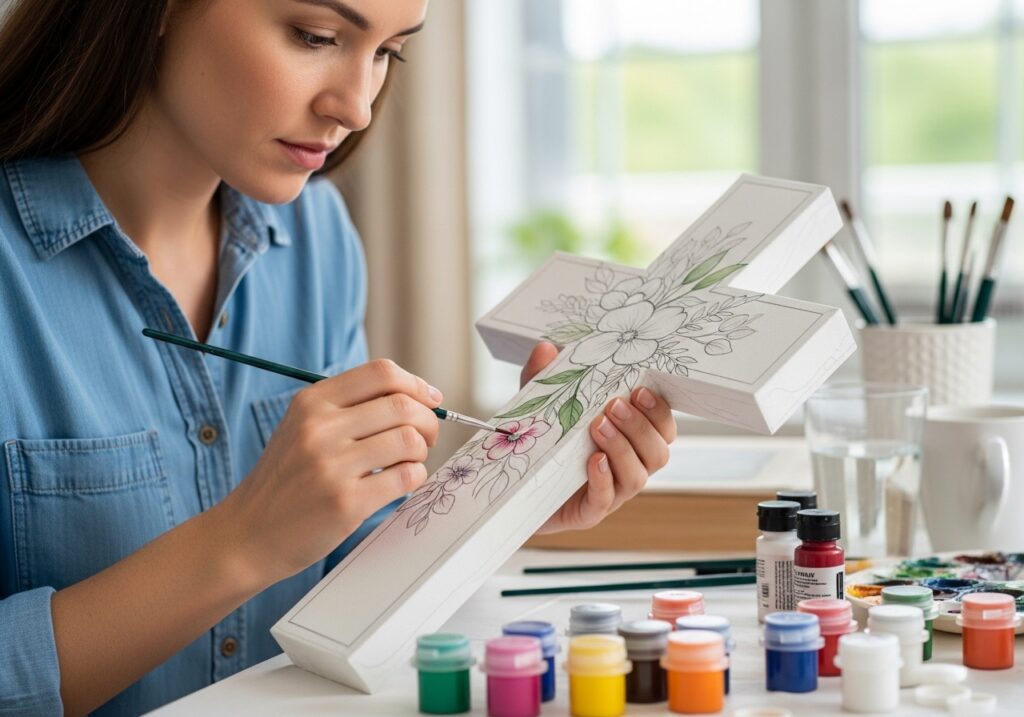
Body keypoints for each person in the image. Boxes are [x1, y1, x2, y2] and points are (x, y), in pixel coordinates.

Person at [0, 1, 677, 714]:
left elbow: (345, 567)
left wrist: (506, 497)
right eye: (315, 37)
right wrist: (242, 541)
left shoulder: (315, 236)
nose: (356, 106)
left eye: (389, 53)